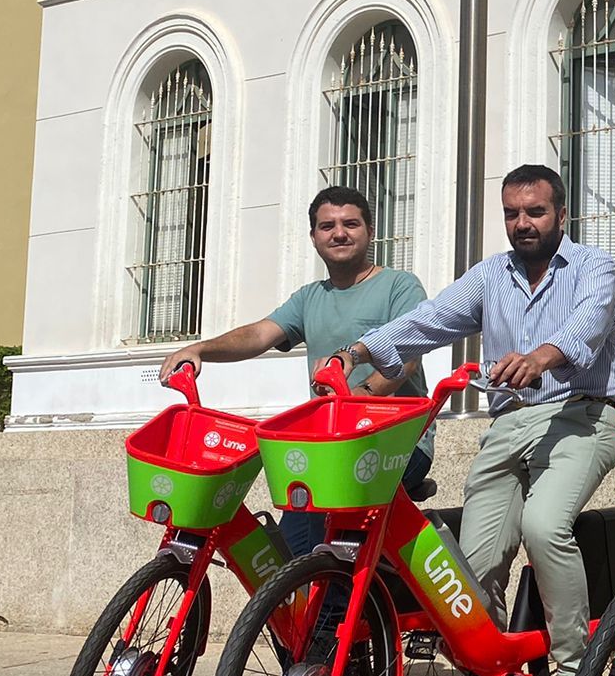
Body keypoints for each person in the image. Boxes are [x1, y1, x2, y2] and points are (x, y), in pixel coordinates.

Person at [337, 164, 615, 676]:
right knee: (472, 568)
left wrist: (544, 355)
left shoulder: (595, 266)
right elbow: (432, 318)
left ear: (561, 216)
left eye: (536, 212)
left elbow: (588, 325)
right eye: (513, 214)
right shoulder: (493, 275)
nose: (523, 224)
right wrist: (361, 350)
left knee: (547, 527)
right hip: (508, 426)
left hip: (582, 417)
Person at [160, 185, 435, 565]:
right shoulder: (309, 297)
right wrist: (199, 349)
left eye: (350, 224)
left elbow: (406, 360)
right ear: (314, 237)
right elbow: (259, 334)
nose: (339, 233)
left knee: (334, 544)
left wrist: (353, 401)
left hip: (396, 444)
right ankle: (302, 616)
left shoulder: (399, 286)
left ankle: (332, 623)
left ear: (370, 231)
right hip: (327, 450)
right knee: (291, 550)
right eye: (328, 226)